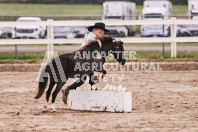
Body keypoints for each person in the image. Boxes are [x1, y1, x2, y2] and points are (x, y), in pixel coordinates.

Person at [61, 22, 109, 104]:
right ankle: (68, 89)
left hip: (86, 61)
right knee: (85, 79)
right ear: (94, 30)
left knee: (88, 79)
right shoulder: (92, 38)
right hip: (84, 61)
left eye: (102, 33)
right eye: (99, 32)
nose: (101, 35)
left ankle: (91, 92)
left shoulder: (94, 38)